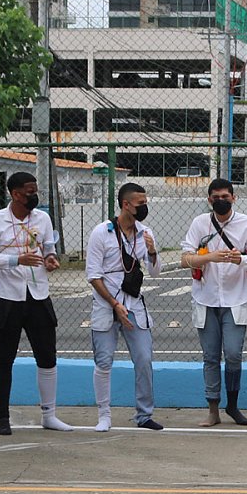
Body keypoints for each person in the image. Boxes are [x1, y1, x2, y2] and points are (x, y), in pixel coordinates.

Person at [0, 171, 71, 434]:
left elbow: (49, 248)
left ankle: (49, 415)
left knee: (47, 356)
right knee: (4, 357)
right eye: (30, 191)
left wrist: (51, 259)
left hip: (38, 294)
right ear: (15, 194)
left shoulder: (42, 218)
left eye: (35, 190)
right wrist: (15, 260)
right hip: (7, 297)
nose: (34, 195)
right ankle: (2, 418)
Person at [180, 177, 247, 426]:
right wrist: (209, 257)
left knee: (234, 354)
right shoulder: (200, 223)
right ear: (209, 200)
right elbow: (185, 258)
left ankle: (233, 406)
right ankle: (213, 409)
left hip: (236, 299)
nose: (220, 201)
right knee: (211, 356)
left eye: (225, 197)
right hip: (205, 299)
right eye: (215, 197)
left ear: (234, 198)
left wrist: (240, 260)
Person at [86, 182, 164, 432]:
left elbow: (155, 272)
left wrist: (152, 252)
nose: (144, 207)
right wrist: (114, 304)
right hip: (106, 304)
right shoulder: (102, 232)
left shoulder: (145, 232)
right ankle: (104, 415)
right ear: (126, 204)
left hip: (133, 304)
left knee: (144, 358)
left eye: (146, 202)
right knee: (104, 361)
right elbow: (93, 275)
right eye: (140, 203)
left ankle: (144, 414)